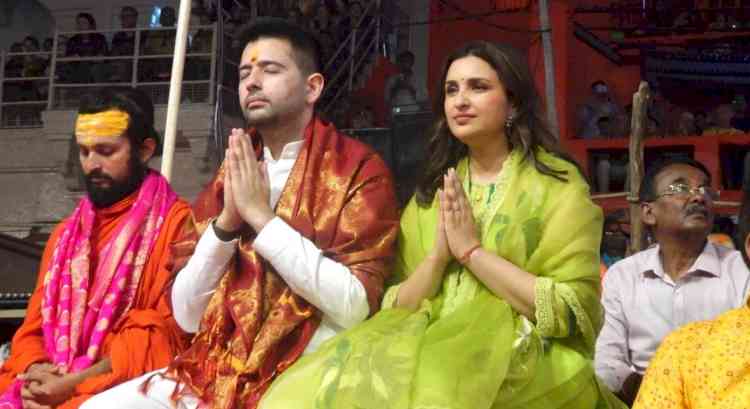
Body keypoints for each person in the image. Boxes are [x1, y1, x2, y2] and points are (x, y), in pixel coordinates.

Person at [255, 40, 626, 409]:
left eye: (478, 87)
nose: (461, 100)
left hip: (524, 359)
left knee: (440, 392)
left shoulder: (557, 186)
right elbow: (394, 305)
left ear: (513, 103)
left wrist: (472, 253)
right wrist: (437, 258)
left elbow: (570, 311)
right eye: (452, 90)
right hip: (424, 338)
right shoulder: (433, 190)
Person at [80, 18, 399, 409]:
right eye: (245, 72)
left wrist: (262, 219)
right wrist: (227, 225)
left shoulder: (357, 169)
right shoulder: (228, 175)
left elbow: (353, 307)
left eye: (271, 69)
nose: (251, 82)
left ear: (312, 87)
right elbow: (186, 316)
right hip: (214, 368)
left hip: (306, 369)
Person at [0, 87, 191, 409]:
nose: (92, 165)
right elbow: (32, 330)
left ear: (145, 150)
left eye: (106, 150)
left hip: (123, 386)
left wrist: (71, 385)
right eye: (85, 151)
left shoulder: (179, 225)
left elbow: (160, 337)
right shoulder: (64, 236)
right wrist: (35, 373)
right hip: (52, 382)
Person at [595, 157, 750, 406]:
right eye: (680, 188)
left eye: (704, 189)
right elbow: (608, 362)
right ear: (648, 212)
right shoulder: (623, 276)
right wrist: (658, 388)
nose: (698, 197)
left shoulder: (741, 270)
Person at [62, 13, 108, 83]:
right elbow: (67, 58)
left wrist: (88, 58)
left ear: (91, 25)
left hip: (94, 67)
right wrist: (72, 57)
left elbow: (103, 56)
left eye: (84, 23)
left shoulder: (100, 38)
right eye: (78, 23)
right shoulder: (72, 40)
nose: (81, 26)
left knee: (94, 68)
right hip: (77, 68)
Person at [110, 7, 139, 82]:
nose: (124, 19)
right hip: (118, 63)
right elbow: (113, 52)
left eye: (128, 16)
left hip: (136, 63)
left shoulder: (142, 34)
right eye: (122, 17)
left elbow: (142, 51)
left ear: (135, 18)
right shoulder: (117, 36)